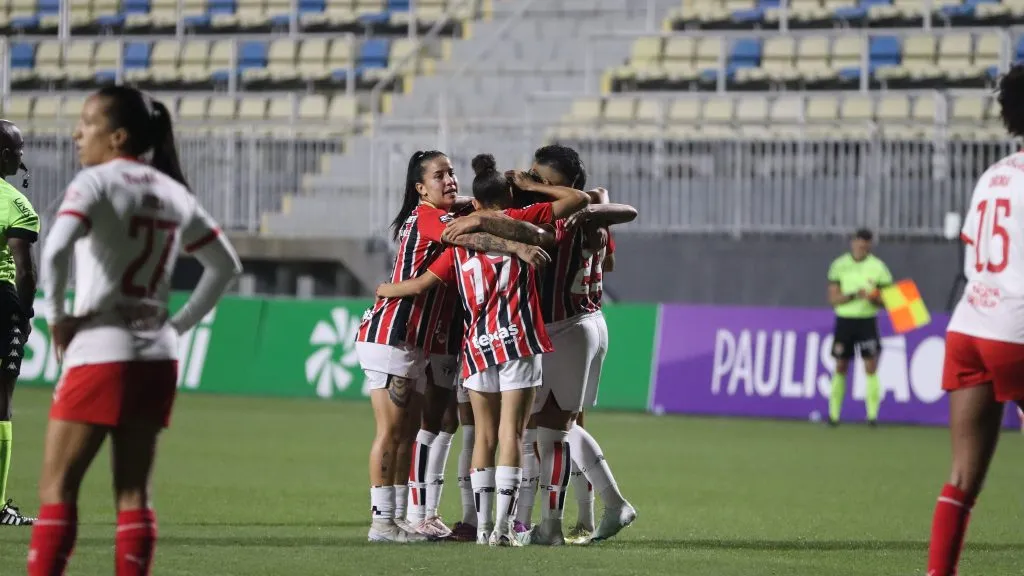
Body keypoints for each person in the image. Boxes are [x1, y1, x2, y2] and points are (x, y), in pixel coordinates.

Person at [27, 85, 242, 576]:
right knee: (133, 494)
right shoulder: (172, 191)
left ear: (117, 136)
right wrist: (179, 324)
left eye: (87, 122)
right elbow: (225, 266)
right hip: (156, 355)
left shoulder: (95, 182)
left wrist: (58, 320)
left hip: (101, 347)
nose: (76, 133)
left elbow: (55, 249)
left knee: (57, 489)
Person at [377, 153, 589, 546]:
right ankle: (504, 531)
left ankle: (479, 525)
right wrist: (529, 196)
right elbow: (577, 202)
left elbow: (423, 282)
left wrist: (385, 289)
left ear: (474, 202)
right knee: (513, 434)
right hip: (519, 341)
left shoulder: (457, 239)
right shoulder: (527, 226)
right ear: (514, 199)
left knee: (481, 437)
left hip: (476, 345)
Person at [508, 145, 638, 545]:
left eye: (543, 179)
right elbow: (609, 259)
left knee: (551, 432)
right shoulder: (589, 214)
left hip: (564, 328)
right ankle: (592, 510)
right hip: (588, 320)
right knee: (553, 428)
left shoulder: (559, 220)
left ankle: (558, 523)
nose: (533, 183)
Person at [926, 64, 1024, 576]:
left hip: (969, 328)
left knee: (962, 479)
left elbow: (978, 251)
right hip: (1017, 330)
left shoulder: (995, 173)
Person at [0, 120, 38, 527]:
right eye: (15, 150)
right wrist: (24, 317)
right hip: (1, 298)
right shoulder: (14, 203)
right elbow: (25, 272)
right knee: (1, 402)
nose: (20, 157)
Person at [825, 228, 893, 426]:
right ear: (852, 243)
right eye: (858, 242)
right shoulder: (839, 265)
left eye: (866, 243)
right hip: (845, 320)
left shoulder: (879, 267)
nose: (861, 247)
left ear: (870, 245)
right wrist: (854, 295)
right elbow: (833, 299)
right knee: (840, 365)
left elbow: (891, 300)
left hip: (867, 320)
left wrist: (874, 297)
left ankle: (872, 416)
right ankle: (834, 415)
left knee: (871, 366)